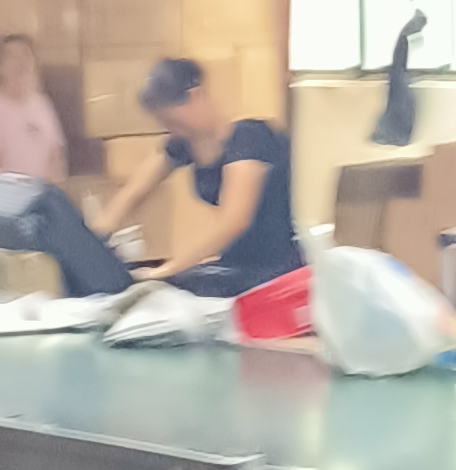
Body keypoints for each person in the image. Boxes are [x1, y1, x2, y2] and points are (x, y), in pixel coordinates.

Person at [97, 56, 304, 296]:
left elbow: (234, 222)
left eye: (172, 120)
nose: (172, 129)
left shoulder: (250, 138)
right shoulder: (185, 144)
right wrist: (97, 236)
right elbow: (132, 193)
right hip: (234, 262)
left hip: (274, 268)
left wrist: (166, 270)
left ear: (196, 96)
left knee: (162, 289)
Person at [0, 28, 68, 186]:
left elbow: (55, 157)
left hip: (45, 194)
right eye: (11, 57)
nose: (20, 62)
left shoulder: (42, 103)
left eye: (26, 55)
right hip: (8, 196)